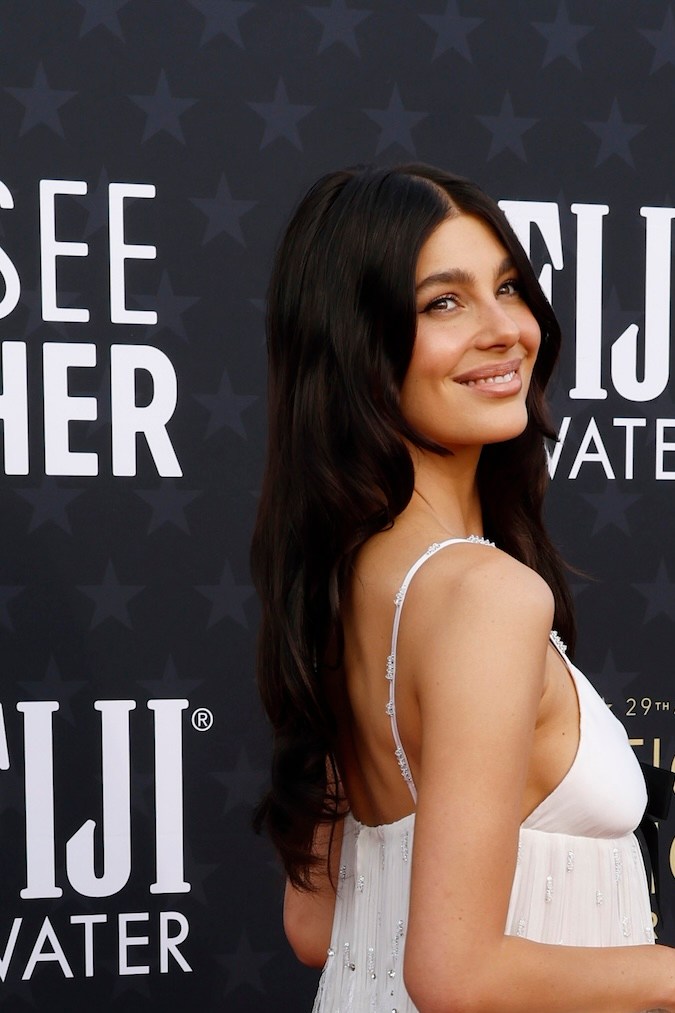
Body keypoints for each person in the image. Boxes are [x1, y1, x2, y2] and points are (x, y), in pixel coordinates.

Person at [251, 163, 675, 1012]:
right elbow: (456, 974)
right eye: (443, 302)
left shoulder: (341, 582)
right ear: (359, 342)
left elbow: (315, 924)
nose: (505, 329)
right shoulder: (483, 596)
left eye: (508, 287)